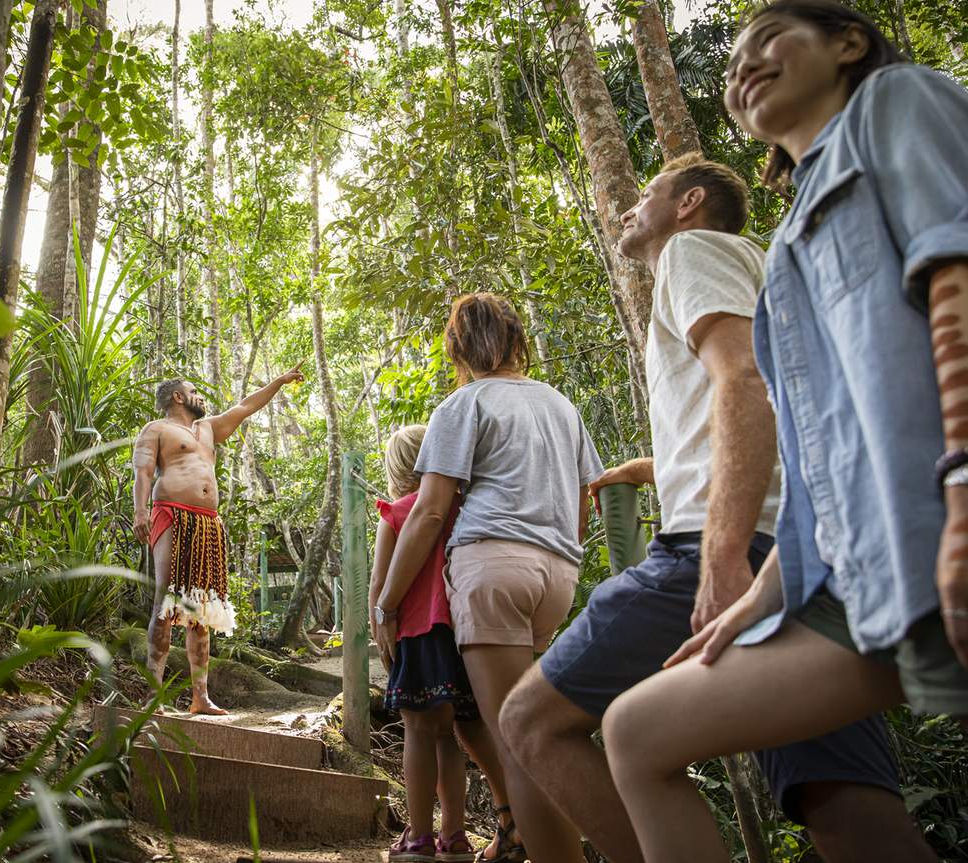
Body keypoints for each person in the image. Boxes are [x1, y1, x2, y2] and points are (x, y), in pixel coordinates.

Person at [602, 3, 968, 860]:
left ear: (846, 43)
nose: (743, 68)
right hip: (861, 562)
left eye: (766, 41)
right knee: (638, 731)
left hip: (943, 508)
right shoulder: (787, 245)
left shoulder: (895, 105)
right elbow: (815, 447)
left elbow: (954, 272)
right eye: (730, 65)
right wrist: (756, 602)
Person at [499, 152, 924, 862]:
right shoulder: (762, 269)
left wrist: (721, 554)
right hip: (798, 546)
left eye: (648, 195)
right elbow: (757, 407)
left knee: (533, 718)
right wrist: (648, 469)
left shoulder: (691, 250)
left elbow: (742, 376)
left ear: (689, 202)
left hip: (718, 547)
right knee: (840, 798)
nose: (629, 209)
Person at [373, 292, 604, 863]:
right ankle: (512, 833)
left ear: (457, 348)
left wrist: (386, 603)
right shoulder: (561, 405)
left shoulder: (463, 405)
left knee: (517, 739)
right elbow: (583, 501)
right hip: (557, 575)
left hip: (492, 572)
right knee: (528, 726)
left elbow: (427, 513)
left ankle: (545, 846)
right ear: (516, 339)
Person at [369, 425, 517, 863]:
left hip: (417, 632)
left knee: (418, 729)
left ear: (398, 468)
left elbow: (380, 583)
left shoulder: (397, 514)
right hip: (465, 633)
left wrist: (382, 628)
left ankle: (417, 837)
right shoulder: (463, 507)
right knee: (451, 734)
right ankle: (453, 834)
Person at [132, 369, 302, 715]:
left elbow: (245, 406)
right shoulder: (157, 429)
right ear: (177, 397)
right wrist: (140, 511)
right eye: (193, 391)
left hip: (207, 522)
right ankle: (153, 697)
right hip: (171, 515)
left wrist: (279, 380)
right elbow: (144, 472)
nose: (201, 396)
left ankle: (200, 697)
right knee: (166, 603)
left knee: (201, 609)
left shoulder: (207, 429)